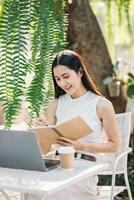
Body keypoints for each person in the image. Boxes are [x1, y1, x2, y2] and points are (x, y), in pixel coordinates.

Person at [24, 50, 121, 200]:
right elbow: (44, 150)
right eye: (57, 79)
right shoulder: (55, 104)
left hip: (85, 170)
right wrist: (42, 131)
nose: (62, 83)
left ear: (80, 72)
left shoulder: (101, 105)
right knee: (30, 190)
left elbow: (114, 146)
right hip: (57, 166)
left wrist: (80, 146)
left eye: (66, 76)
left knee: (50, 194)